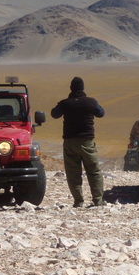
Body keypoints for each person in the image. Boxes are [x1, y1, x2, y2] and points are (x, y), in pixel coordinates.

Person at [51, 76, 106, 208]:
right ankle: (98, 200)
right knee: (94, 171)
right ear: (82, 88)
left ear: (71, 88)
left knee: (73, 173)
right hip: (86, 141)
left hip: (70, 142)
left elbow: (54, 114)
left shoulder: (65, 103)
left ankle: (78, 201)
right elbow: (101, 113)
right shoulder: (90, 102)